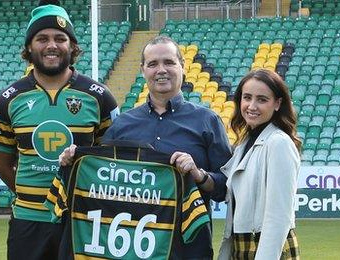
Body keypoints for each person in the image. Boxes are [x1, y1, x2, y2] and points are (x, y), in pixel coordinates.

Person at [59, 35, 232, 259]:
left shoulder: (208, 121)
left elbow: (226, 189)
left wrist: (199, 175)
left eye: (169, 62)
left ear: (182, 66)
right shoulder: (121, 125)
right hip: (129, 250)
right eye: (153, 64)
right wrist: (72, 163)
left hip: (187, 250)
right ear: (143, 70)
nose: (161, 70)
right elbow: (101, 181)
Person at [0, 0, 119, 258]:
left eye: (60, 38)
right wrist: (33, 196)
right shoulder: (8, 100)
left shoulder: (100, 97)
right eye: (42, 38)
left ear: (72, 46)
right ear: (29, 46)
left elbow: (113, 161)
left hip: (82, 219)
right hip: (28, 222)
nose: (51, 45)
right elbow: (3, 164)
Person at [217, 69, 302, 259]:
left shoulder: (278, 142)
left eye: (262, 100)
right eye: (247, 97)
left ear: (278, 103)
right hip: (242, 246)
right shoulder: (243, 144)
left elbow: (279, 216)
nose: (252, 106)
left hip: (268, 248)